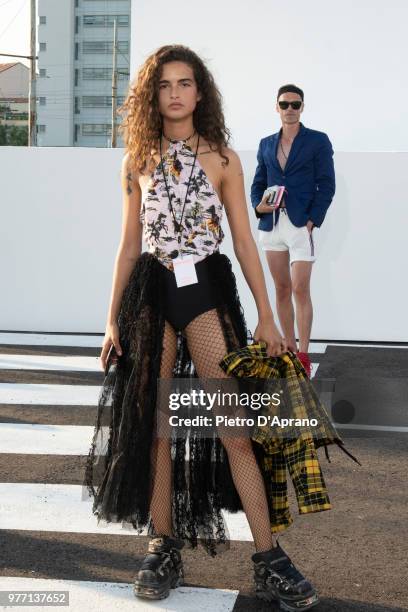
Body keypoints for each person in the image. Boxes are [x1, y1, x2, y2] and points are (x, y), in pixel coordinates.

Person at [84, 48, 324, 611]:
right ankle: (162, 545)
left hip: (205, 292)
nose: (175, 93)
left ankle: (268, 555)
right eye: (165, 84)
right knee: (159, 429)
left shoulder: (224, 158)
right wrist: (110, 318)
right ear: (153, 94)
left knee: (231, 425)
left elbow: (244, 242)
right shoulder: (136, 159)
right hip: (151, 291)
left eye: (185, 83)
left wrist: (267, 314)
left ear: (200, 92)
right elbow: (127, 248)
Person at [251, 84, 336, 377]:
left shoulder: (318, 141)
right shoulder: (265, 143)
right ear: (277, 107)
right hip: (272, 225)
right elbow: (257, 184)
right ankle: (287, 348)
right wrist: (259, 207)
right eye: (284, 104)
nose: (290, 109)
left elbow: (327, 184)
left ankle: (303, 353)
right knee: (282, 289)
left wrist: (313, 219)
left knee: (301, 288)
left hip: (301, 224)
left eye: (295, 104)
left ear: (302, 107)